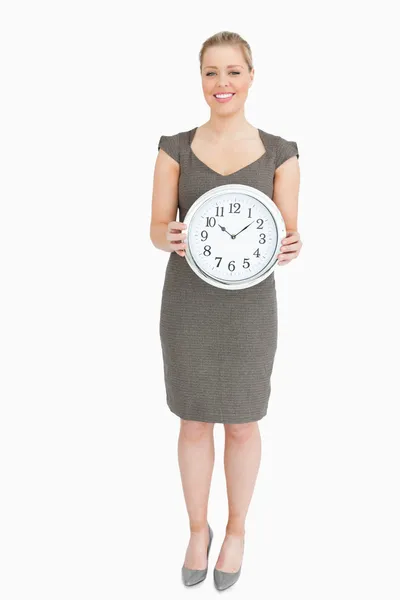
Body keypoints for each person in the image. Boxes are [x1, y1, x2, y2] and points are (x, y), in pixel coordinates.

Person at [150, 30, 302, 591]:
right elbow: (154, 227)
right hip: (189, 298)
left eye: (233, 71)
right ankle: (197, 529)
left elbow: (286, 234)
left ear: (251, 76)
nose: (223, 83)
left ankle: (237, 530)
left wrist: (292, 245)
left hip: (250, 308)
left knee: (242, 423)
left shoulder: (282, 154)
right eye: (212, 72)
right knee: (193, 420)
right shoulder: (175, 148)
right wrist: (168, 234)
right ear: (201, 79)